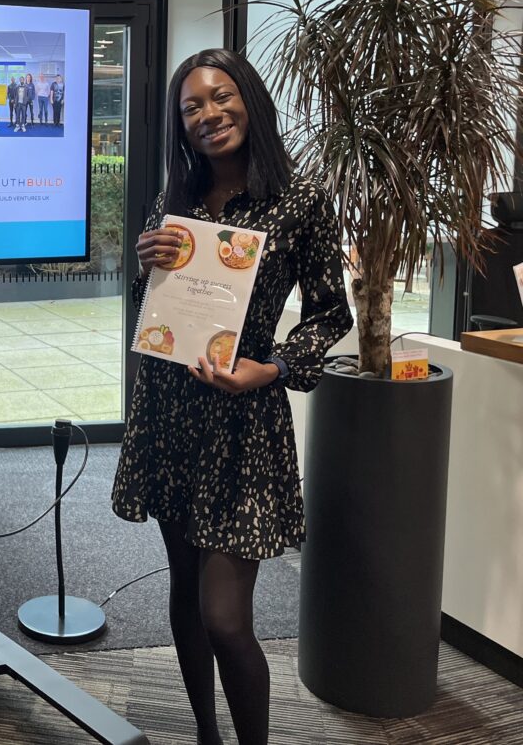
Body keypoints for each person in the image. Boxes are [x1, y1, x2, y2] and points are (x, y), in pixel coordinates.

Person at [112, 49, 352, 745]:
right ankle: (205, 734)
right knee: (185, 591)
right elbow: (153, 311)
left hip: (242, 423)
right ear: (180, 125)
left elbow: (330, 314)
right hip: (169, 414)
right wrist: (143, 267)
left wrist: (272, 367)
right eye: (192, 107)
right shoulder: (176, 201)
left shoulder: (300, 200)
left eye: (221, 97)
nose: (208, 115)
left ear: (249, 100)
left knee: (225, 617)